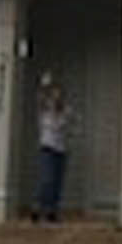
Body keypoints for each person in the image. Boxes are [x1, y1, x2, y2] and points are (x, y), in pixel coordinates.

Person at [32, 73, 72, 222]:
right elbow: (40, 99)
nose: (56, 97)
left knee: (57, 182)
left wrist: (60, 109)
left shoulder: (65, 112)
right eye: (54, 94)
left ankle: (52, 211)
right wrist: (44, 84)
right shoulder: (44, 111)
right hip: (47, 148)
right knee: (46, 180)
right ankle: (38, 208)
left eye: (59, 94)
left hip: (60, 149)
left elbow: (67, 123)